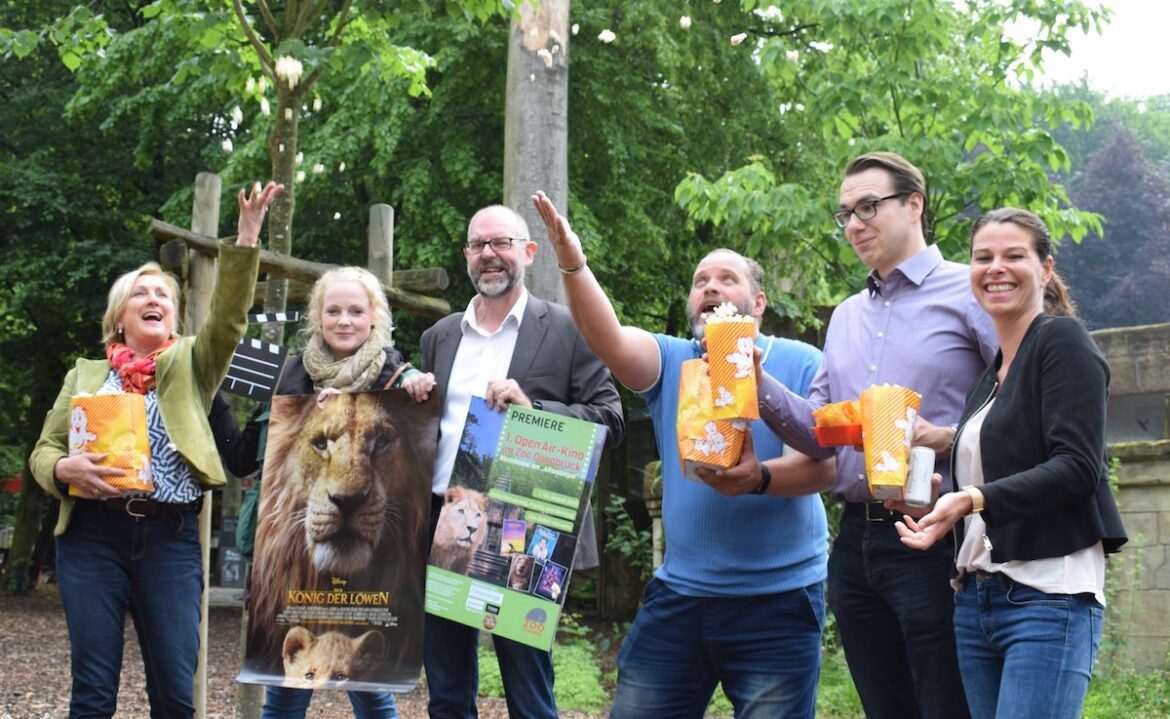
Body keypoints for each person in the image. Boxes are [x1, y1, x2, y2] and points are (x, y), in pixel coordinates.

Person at [532, 192, 833, 718]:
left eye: (726, 278)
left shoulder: (800, 360)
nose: (710, 286)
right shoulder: (673, 359)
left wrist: (757, 477)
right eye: (700, 282)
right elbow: (605, 340)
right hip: (682, 595)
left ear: (758, 304)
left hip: (779, 600)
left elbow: (824, 467)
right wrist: (572, 262)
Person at [737, 152, 997, 719]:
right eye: (845, 214)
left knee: (948, 705)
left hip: (938, 535)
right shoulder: (847, 315)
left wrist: (949, 435)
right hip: (856, 543)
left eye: (868, 207)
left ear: (913, 205)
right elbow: (817, 431)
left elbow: (1022, 403)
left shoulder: (970, 290)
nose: (854, 224)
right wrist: (756, 382)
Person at [29, 180, 281, 718]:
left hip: (170, 540)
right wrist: (64, 468)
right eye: (140, 294)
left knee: (173, 694)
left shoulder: (194, 364)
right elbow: (42, 453)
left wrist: (247, 237)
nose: (153, 300)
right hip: (91, 539)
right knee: (93, 694)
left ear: (174, 316)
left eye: (162, 295)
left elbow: (230, 318)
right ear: (120, 317)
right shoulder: (86, 375)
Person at [895, 208, 1127, 719]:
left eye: (1013, 256)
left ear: (1045, 270)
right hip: (976, 598)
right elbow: (999, 474)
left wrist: (972, 498)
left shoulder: (1062, 342)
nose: (995, 267)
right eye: (983, 257)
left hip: (1047, 596)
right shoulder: (991, 375)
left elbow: (1078, 465)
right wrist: (934, 507)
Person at [418, 204, 625, 719]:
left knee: (530, 696)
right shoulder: (439, 337)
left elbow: (611, 419)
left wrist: (536, 411)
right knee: (446, 694)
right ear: (467, 256)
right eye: (478, 244)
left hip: (523, 532)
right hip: (442, 529)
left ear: (528, 253)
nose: (489, 254)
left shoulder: (567, 327)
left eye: (501, 243)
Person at [234, 265, 434, 719]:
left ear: (375, 318)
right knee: (286, 690)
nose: (345, 321)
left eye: (356, 311)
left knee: (372, 689)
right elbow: (242, 458)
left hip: (376, 585)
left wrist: (419, 390)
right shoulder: (289, 378)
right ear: (318, 317)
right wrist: (210, 398)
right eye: (334, 311)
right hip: (294, 582)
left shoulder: (398, 379)